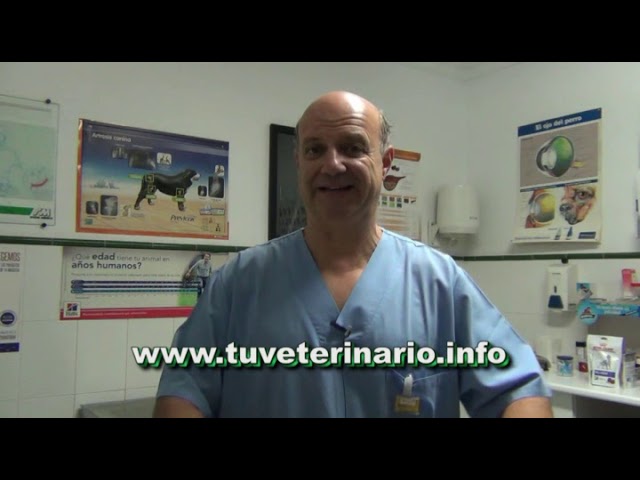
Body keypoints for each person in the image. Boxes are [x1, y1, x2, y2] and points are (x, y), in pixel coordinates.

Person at [154, 91, 553, 418]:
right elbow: (183, 393)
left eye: (352, 148)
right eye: (315, 150)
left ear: (385, 163)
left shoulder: (439, 284)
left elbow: (519, 390)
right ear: (299, 163)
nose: (332, 164)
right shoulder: (239, 283)